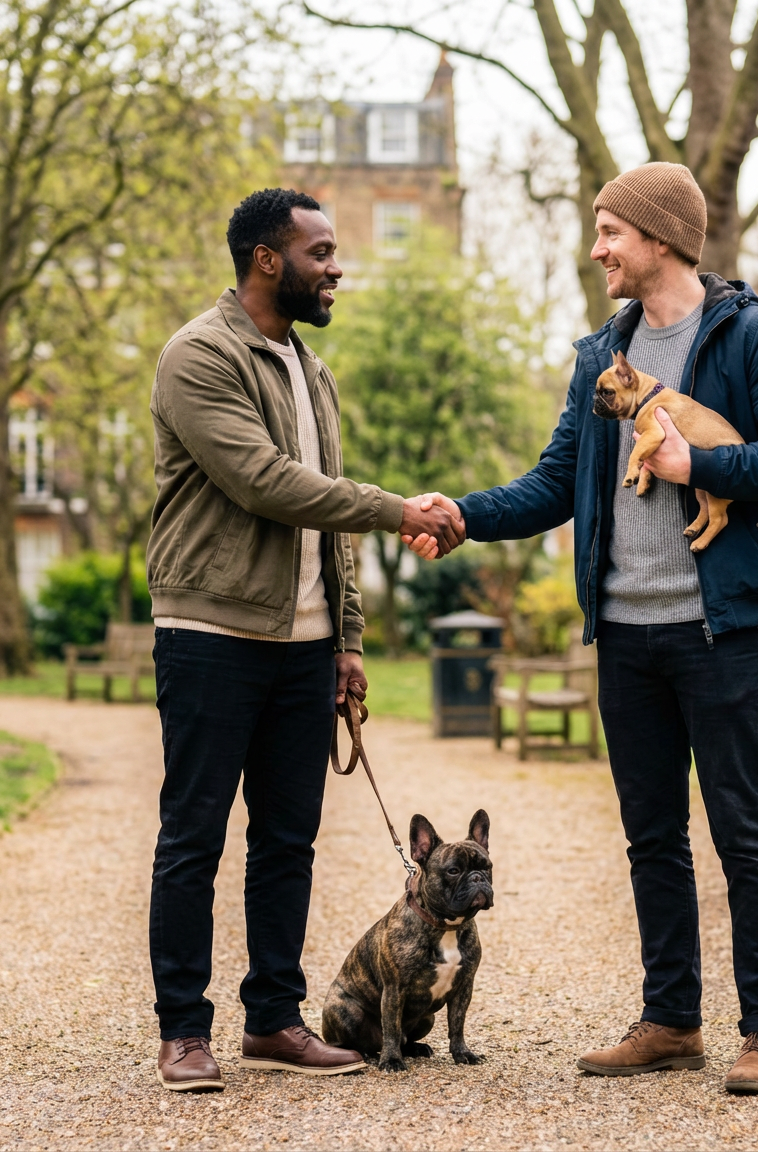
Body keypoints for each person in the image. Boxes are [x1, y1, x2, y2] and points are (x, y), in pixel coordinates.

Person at [405, 163, 758, 1093]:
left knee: (743, 832)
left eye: (610, 231)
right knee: (651, 836)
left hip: (723, 631)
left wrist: (698, 458)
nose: (596, 247)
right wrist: (464, 514)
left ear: (663, 238)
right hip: (627, 633)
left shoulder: (753, 335)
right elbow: (560, 479)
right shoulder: (602, 353)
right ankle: (672, 1019)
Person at [147, 188, 463, 1091]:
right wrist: (402, 506)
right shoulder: (198, 356)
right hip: (212, 631)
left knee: (287, 841)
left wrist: (349, 639)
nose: (337, 267)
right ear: (267, 260)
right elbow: (268, 483)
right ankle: (183, 1030)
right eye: (321, 251)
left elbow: (331, 525)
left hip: (306, 647)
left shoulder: (311, 370)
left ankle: (274, 1021)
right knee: (194, 837)